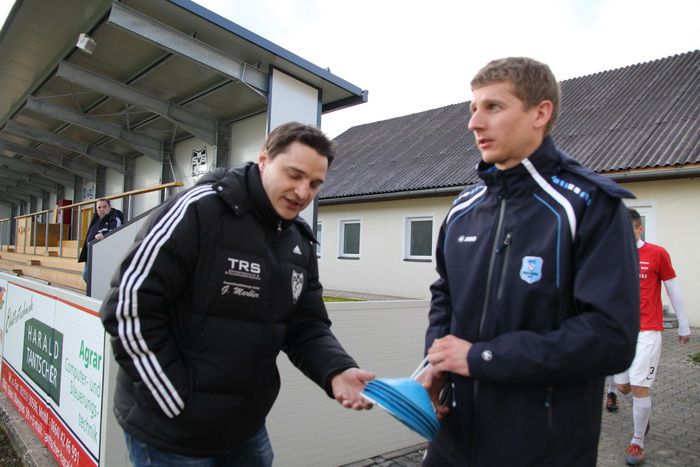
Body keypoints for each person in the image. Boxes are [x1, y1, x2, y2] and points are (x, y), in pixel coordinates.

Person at [100, 122, 374, 467]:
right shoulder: (198, 210)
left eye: (315, 184)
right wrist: (176, 401)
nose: (303, 192)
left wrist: (337, 370)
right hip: (172, 432)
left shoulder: (299, 241)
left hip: (245, 428)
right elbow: (127, 307)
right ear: (264, 159)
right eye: (294, 175)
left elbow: (306, 325)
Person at [421, 57, 640, 466]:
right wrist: (435, 362)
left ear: (540, 113)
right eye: (473, 108)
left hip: (541, 449)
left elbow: (611, 339)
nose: (474, 123)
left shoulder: (589, 205)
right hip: (452, 440)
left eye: (493, 107)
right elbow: (445, 294)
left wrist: (482, 358)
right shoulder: (463, 207)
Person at [614, 208, 691, 466]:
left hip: (648, 330)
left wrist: (683, 325)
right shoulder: (614, 255)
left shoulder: (657, 253)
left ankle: (637, 441)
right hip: (622, 331)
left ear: (640, 229)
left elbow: (673, 290)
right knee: (623, 386)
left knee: (639, 387)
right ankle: (643, 412)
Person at [77, 198, 123, 284]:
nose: (101, 209)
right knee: (87, 276)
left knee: (87, 276)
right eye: (99, 207)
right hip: (91, 253)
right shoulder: (97, 218)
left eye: (104, 207)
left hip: (103, 254)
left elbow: (116, 233)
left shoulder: (115, 218)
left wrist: (104, 236)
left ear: (110, 207)